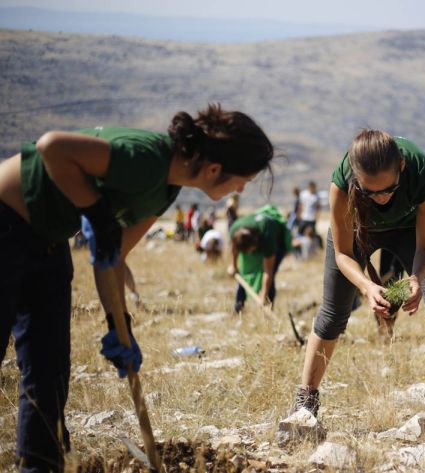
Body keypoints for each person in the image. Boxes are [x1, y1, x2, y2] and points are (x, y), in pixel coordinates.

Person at [0, 103, 273, 471]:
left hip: (48, 241)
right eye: (243, 181)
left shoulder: (167, 190)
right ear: (214, 169)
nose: (240, 189)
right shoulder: (146, 157)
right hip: (7, 221)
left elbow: (113, 257)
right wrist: (94, 209)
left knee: (48, 372)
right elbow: (52, 147)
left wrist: (119, 325)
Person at [289, 129, 425, 459]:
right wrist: (366, 287)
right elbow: (343, 255)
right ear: (355, 178)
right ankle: (305, 403)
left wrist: (416, 279)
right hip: (358, 234)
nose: (380, 198)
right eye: (369, 191)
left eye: (389, 190)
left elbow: (424, 246)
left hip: (410, 231)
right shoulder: (341, 183)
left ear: (402, 168)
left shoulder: (424, 175)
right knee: (334, 313)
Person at [228, 204, 291, 312]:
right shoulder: (235, 229)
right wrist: (233, 266)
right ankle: (238, 309)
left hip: (278, 241)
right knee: (244, 274)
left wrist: (263, 295)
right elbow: (234, 249)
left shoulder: (268, 238)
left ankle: (268, 309)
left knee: (270, 277)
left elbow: (268, 271)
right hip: (254, 238)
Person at [298, 181, 321, 246]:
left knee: (312, 234)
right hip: (304, 217)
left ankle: (313, 248)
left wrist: (317, 217)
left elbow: (318, 208)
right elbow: (301, 205)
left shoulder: (317, 195)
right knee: (300, 232)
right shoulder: (303, 194)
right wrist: (299, 215)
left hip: (312, 218)